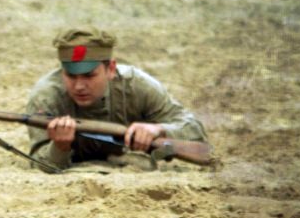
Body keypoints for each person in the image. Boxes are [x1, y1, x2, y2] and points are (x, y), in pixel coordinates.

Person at [26, 26, 208, 171]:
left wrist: (158, 130)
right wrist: (59, 147)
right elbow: (38, 164)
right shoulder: (46, 97)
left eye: (89, 76)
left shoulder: (137, 85)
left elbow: (195, 130)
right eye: (71, 76)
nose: (79, 86)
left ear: (111, 69)